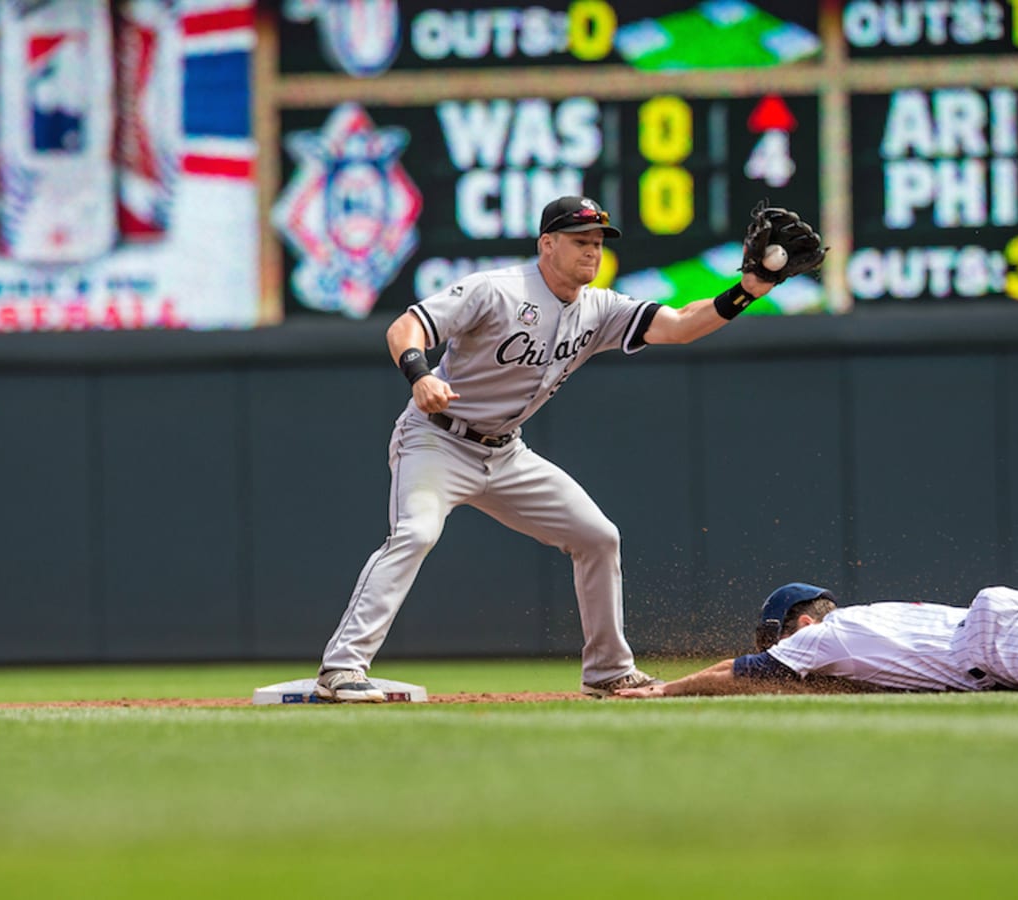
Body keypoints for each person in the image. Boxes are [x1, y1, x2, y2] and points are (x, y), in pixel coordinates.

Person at [315, 195, 812, 701]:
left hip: (506, 454)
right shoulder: (496, 289)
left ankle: (608, 671)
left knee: (598, 536)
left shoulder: (600, 307)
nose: (592, 252)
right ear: (546, 244)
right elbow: (406, 327)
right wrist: (420, 375)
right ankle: (343, 667)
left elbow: (681, 325)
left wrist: (749, 290)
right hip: (437, 439)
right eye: (580, 241)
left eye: (597, 242)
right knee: (416, 533)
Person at [616, 582, 1018, 698]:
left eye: (778, 637)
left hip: (997, 643)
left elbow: (741, 671)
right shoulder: (860, 626)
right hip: (1013, 626)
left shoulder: (826, 637)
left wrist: (666, 691)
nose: (777, 649)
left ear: (802, 624)